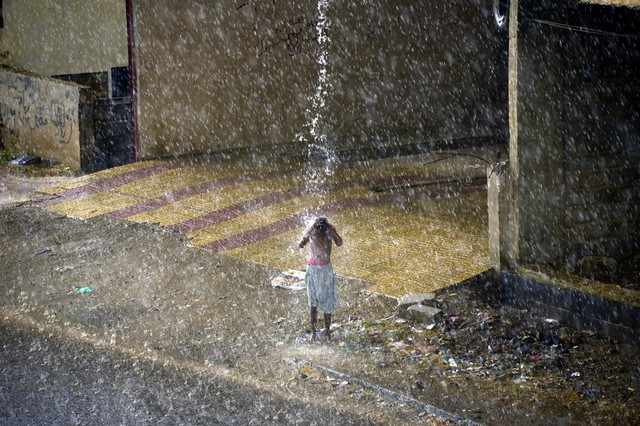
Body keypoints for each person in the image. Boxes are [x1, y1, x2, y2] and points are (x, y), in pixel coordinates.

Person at [299, 216, 343, 342]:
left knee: (327, 303)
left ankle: (327, 332)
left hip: (325, 269)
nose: (321, 235)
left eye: (322, 232)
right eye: (319, 232)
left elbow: (339, 243)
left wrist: (332, 231)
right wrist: (307, 235)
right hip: (312, 269)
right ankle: (313, 332)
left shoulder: (329, 230)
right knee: (313, 303)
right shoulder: (311, 230)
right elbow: (301, 245)